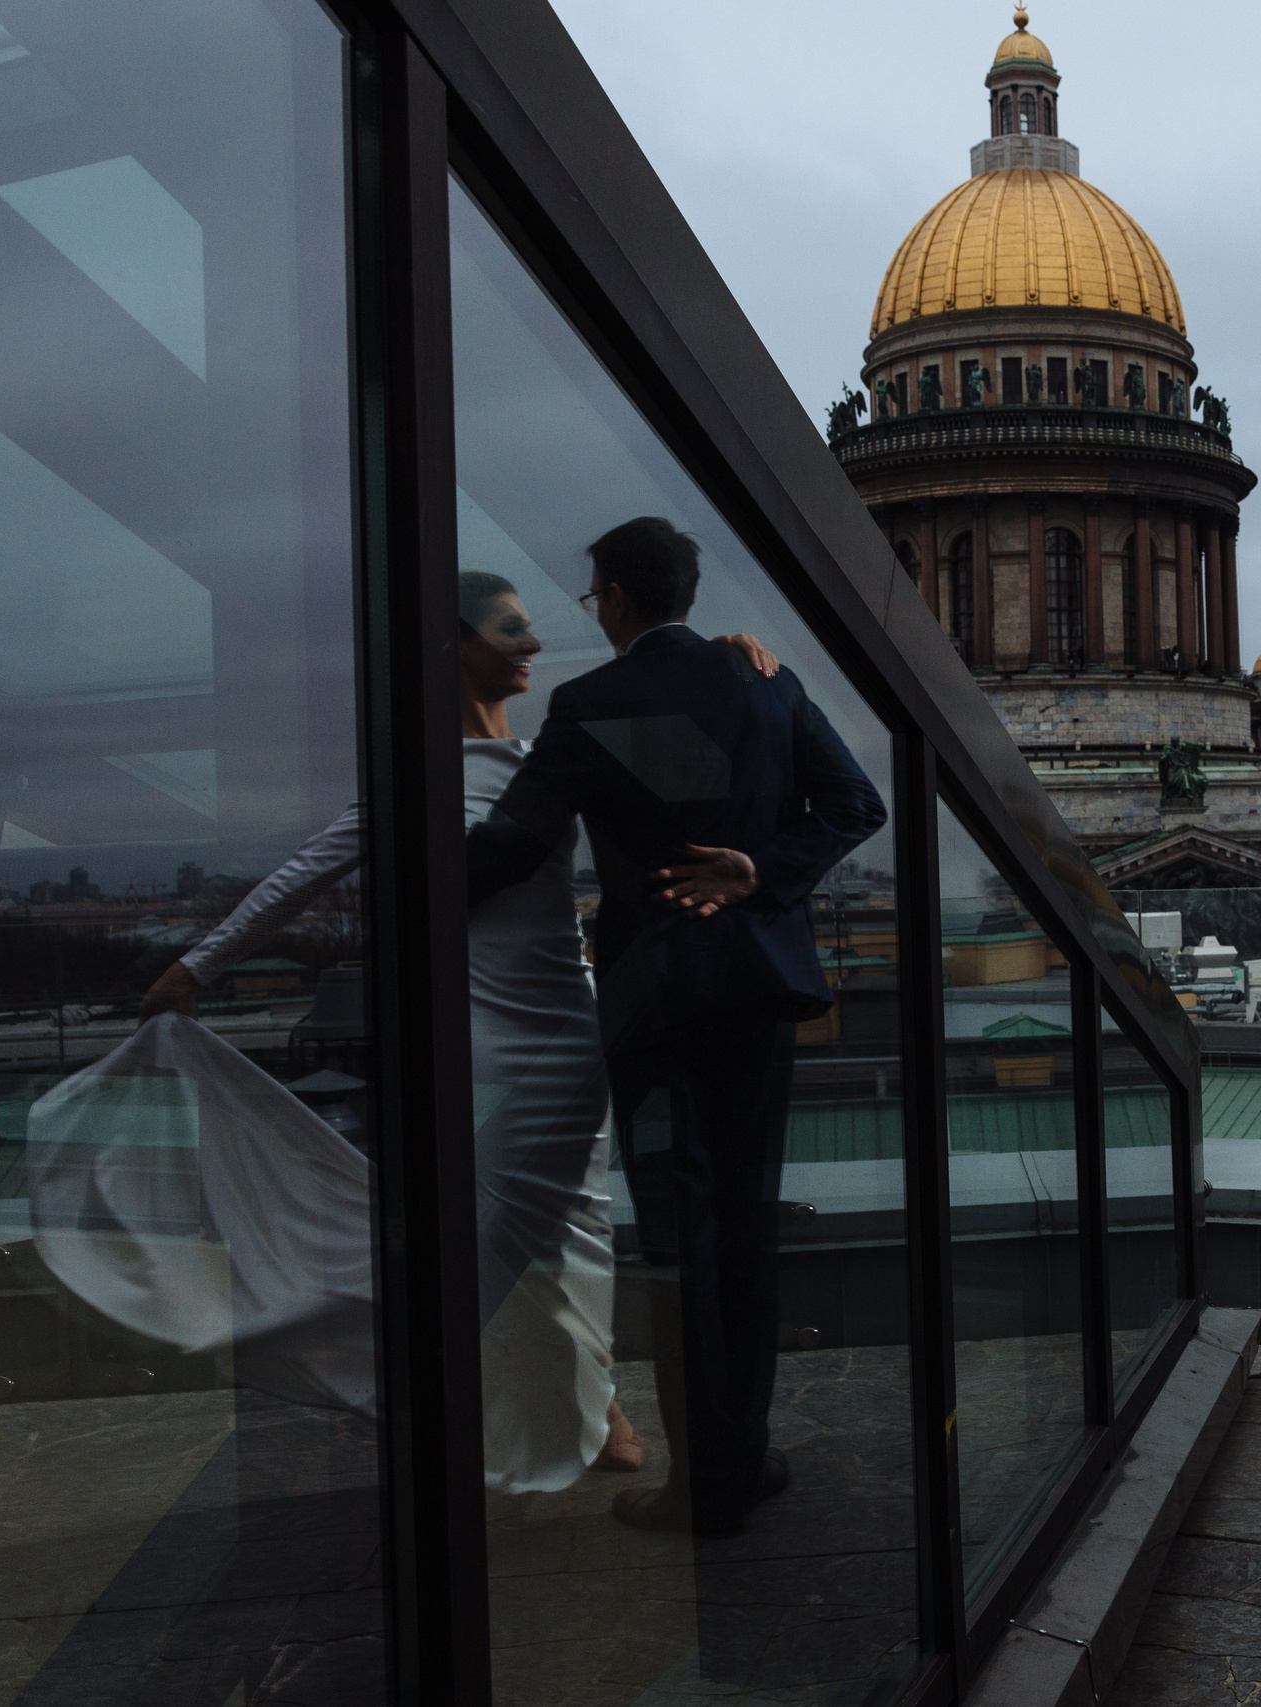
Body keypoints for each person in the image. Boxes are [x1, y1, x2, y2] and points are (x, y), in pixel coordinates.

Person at [142, 571, 782, 1491]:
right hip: (486, 1039)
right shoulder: (416, 777)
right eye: (510, 630)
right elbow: (297, 879)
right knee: (513, 1233)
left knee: (577, 1229)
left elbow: (703, 780)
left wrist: (729, 670)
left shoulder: (556, 754)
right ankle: (523, 1395)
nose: (532, 645)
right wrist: (192, 968)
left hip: (572, 1024)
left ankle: (576, 1397)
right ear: (457, 648)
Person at [464, 516, 885, 1539]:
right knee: (743, 1233)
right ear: (685, 595)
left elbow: (515, 845)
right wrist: (763, 873)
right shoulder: (765, 680)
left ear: (610, 596)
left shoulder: (593, 702)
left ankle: (707, 1485)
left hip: (658, 1000)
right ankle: (740, 1457)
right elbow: (854, 804)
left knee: (681, 1246)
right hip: (760, 983)